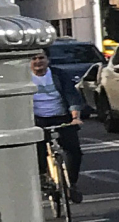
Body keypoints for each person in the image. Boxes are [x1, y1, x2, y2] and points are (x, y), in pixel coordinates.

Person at [29, 49, 81, 202]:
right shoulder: (24, 78)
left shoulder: (59, 75)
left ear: (48, 60)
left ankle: (71, 184)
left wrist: (75, 117)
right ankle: (44, 177)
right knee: (36, 152)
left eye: (41, 58)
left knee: (73, 151)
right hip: (37, 120)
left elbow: (72, 96)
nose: (38, 62)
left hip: (61, 117)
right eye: (34, 58)